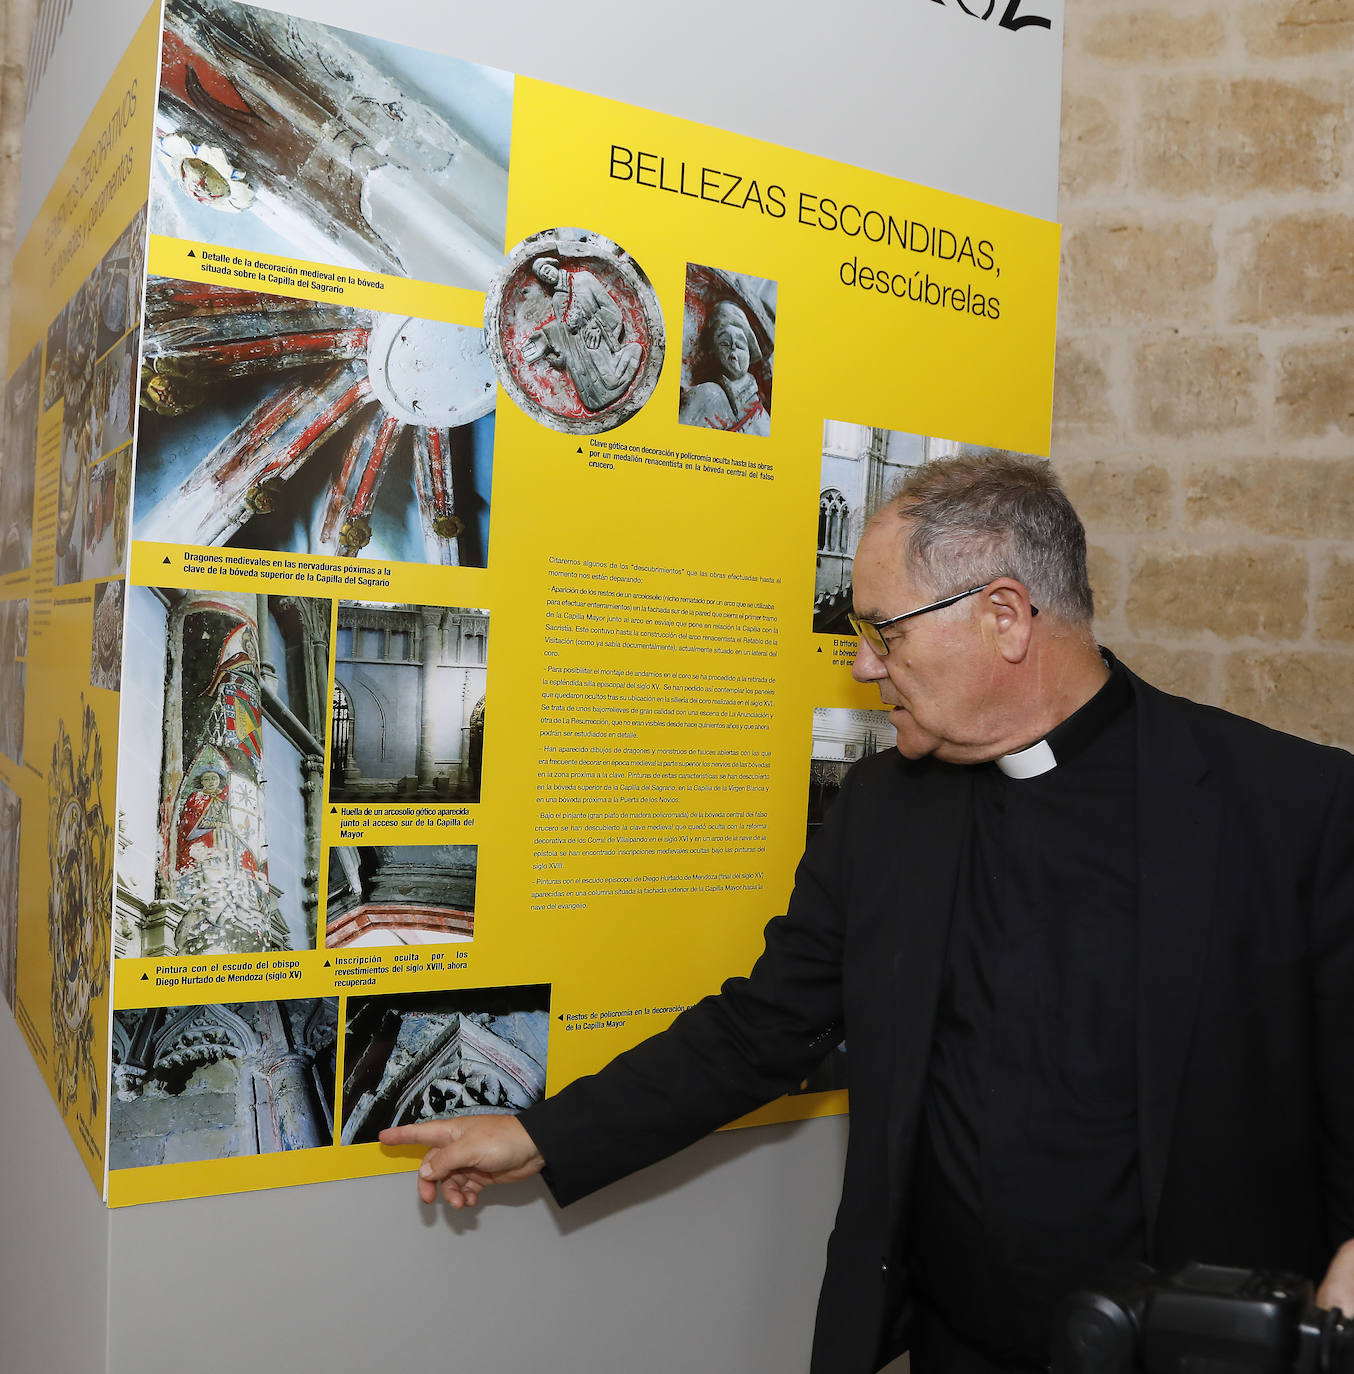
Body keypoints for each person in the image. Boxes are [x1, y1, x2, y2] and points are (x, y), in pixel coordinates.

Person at [381, 453, 1354, 1373]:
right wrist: (545, 1133)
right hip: (952, 1344)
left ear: (1005, 617)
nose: (860, 664)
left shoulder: (1289, 812)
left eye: (884, 628)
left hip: (1189, 1346)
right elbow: (761, 1026)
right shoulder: (887, 808)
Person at [521, 257, 642, 412]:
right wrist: (560, 357)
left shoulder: (584, 278)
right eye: (544, 277)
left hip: (597, 342)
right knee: (592, 397)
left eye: (547, 271)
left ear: (554, 265)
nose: (548, 276)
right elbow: (565, 335)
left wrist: (595, 327)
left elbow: (611, 309)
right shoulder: (557, 300)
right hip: (579, 355)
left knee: (613, 378)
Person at [678, 298, 771, 435]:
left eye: (740, 345)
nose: (733, 348)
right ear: (712, 352)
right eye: (725, 343)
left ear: (750, 355)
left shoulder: (762, 416)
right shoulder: (706, 394)